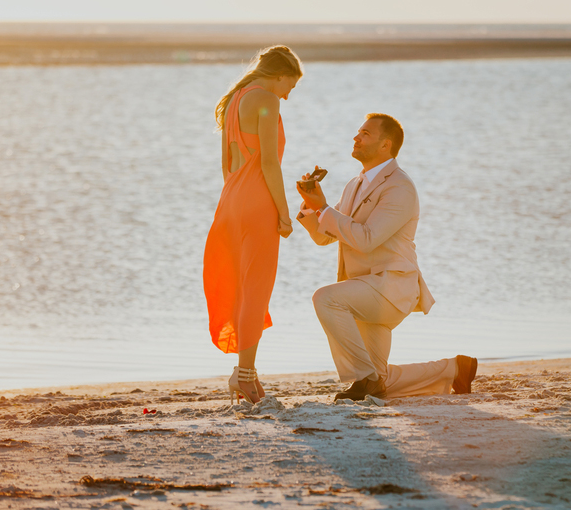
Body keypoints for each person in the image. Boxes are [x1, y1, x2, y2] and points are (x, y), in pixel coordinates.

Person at [296, 113, 477, 400]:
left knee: (326, 298)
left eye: (365, 133)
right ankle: (455, 369)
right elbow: (325, 236)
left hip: (390, 288)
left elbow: (366, 239)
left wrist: (325, 209)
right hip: (364, 290)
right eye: (358, 131)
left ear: (385, 145)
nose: (356, 137)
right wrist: (312, 205)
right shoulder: (354, 184)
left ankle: (363, 379)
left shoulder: (400, 186)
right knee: (380, 381)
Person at [203, 45, 302, 404]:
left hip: (231, 200)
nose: (288, 95)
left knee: (243, 286)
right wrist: (284, 212)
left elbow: (228, 163)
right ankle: (243, 376)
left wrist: (237, 199)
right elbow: (270, 165)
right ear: (279, 75)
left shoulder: (233, 101)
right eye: (290, 85)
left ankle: (248, 374)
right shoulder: (265, 99)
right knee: (256, 289)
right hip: (257, 202)